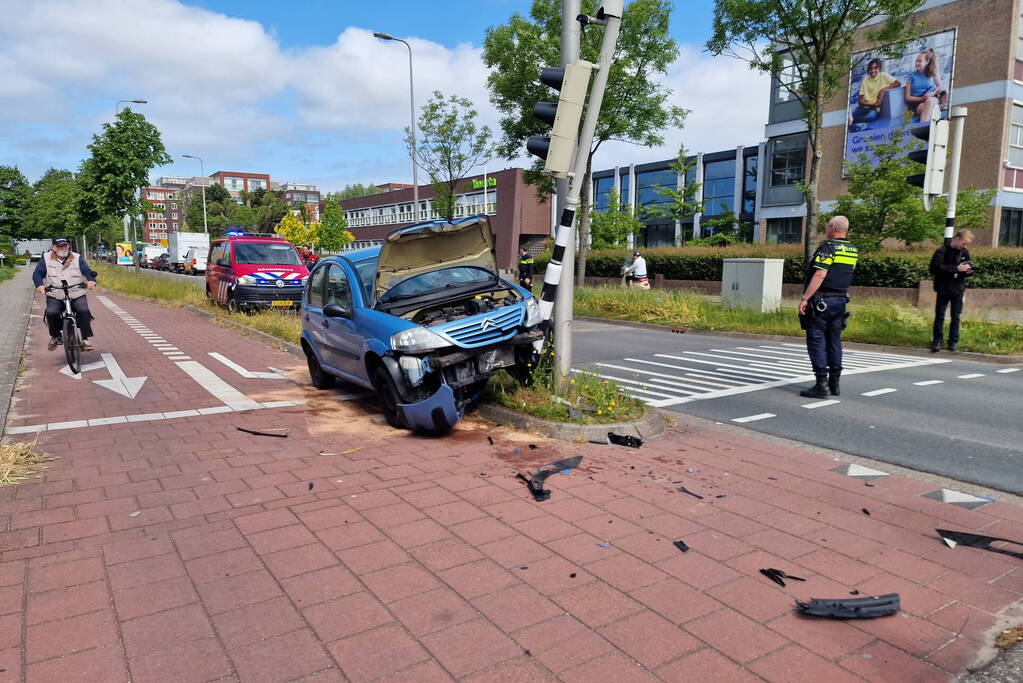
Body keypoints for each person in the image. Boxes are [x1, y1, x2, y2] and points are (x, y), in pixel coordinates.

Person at [798, 216, 859, 398]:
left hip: (822, 301)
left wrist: (805, 298)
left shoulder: (828, 248)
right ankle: (835, 383)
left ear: (833, 228)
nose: (826, 229)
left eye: (827, 226)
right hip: (840, 301)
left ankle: (821, 384)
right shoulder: (852, 250)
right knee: (834, 341)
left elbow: (820, 274)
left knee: (816, 340)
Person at [33, 237, 98, 352]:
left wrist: (91, 280)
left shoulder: (77, 257)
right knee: (51, 313)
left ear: (69, 246)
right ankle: (56, 336)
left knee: (83, 310)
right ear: (53, 248)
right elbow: (37, 274)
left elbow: (87, 271)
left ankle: (85, 338)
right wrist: (40, 285)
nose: (63, 248)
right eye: (59, 246)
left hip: (76, 292)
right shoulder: (46, 258)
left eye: (65, 245)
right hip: (55, 293)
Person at [929, 229, 974, 352]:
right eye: (963, 243)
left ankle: (953, 341)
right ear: (957, 238)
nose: (964, 246)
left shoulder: (964, 252)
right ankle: (937, 341)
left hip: (958, 289)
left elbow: (967, 267)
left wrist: (969, 271)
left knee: (956, 316)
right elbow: (934, 269)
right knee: (940, 315)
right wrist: (956, 268)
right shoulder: (942, 251)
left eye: (966, 244)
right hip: (943, 288)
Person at [851, 58, 901, 126]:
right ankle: (857, 123)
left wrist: (882, 90)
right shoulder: (865, 80)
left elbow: (898, 83)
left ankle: (858, 124)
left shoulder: (883, 75)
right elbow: (860, 101)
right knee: (851, 116)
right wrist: (872, 104)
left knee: (870, 116)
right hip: (864, 107)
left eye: (875, 68)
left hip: (875, 109)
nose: (872, 71)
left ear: (879, 69)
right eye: (870, 69)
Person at [905, 48, 947, 123]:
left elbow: (939, 87)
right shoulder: (911, 76)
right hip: (917, 103)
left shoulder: (932, 72)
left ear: (927, 62)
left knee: (931, 100)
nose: (917, 63)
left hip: (931, 98)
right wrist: (921, 98)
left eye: (920, 61)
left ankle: (943, 105)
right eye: (916, 61)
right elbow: (907, 98)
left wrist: (932, 94)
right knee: (928, 107)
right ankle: (924, 128)